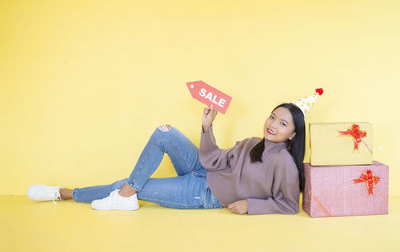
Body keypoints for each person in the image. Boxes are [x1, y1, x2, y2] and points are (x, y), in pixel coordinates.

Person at [28, 89, 323, 215]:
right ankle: (129, 194)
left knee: (125, 187)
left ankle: (63, 192)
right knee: (164, 132)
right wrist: (206, 127)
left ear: (292, 134)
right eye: (273, 117)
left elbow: (288, 205)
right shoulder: (251, 143)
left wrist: (250, 205)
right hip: (203, 170)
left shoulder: (285, 163)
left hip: (205, 194)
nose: (273, 124)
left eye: (282, 123)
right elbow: (214, 159)